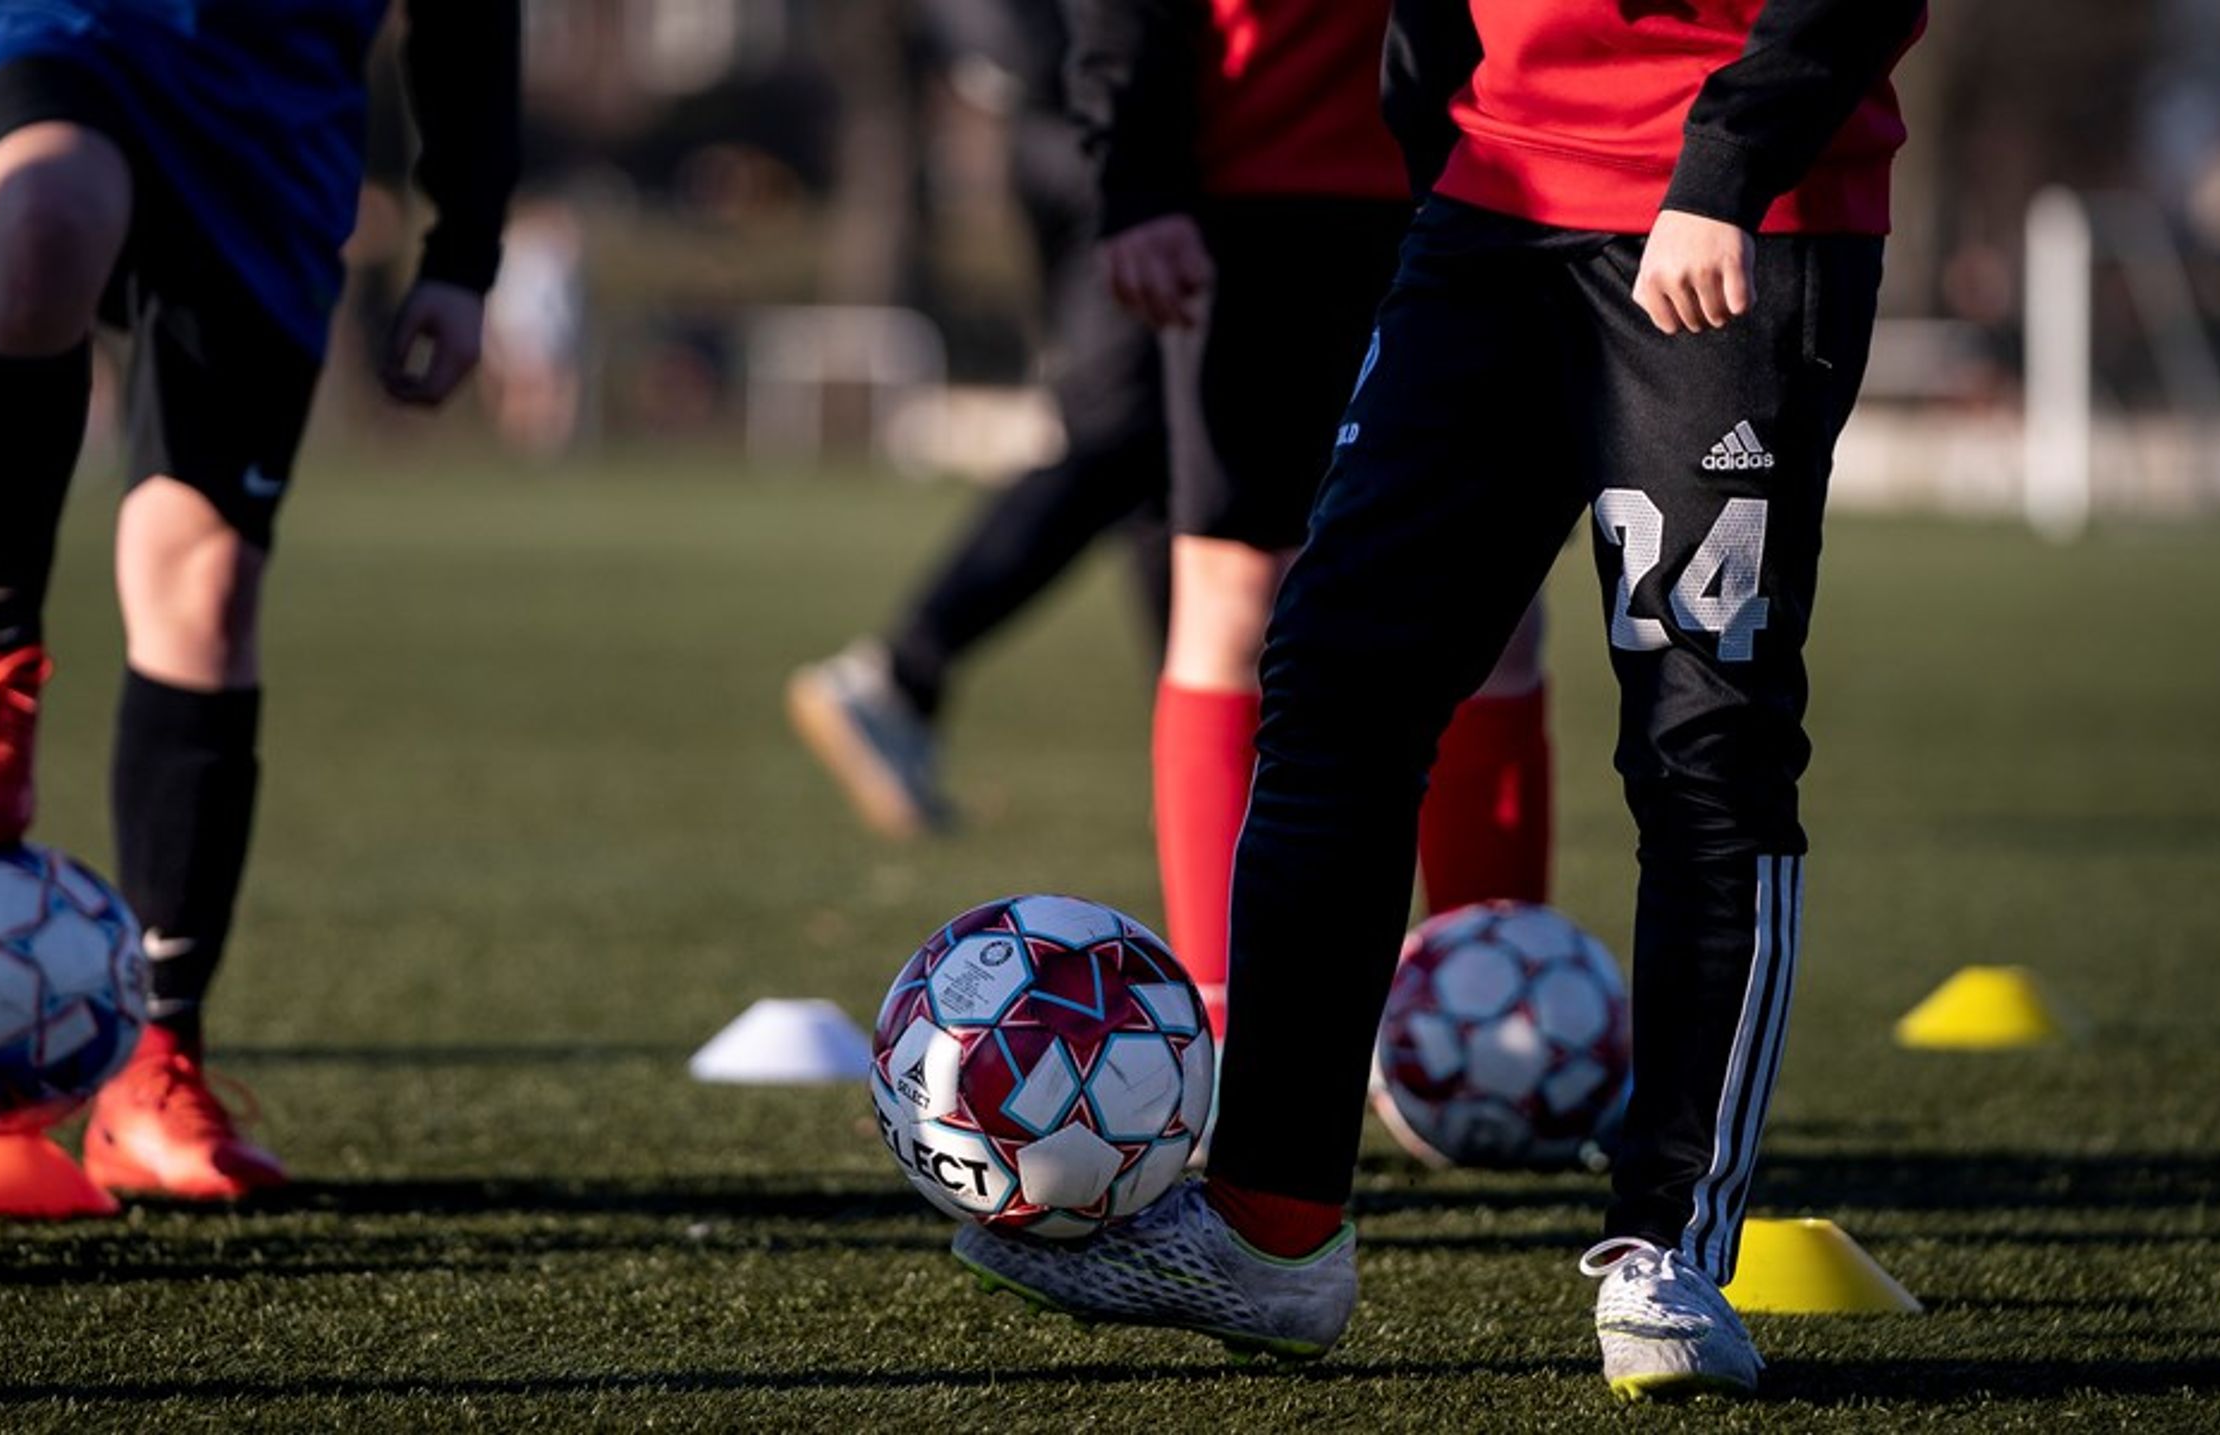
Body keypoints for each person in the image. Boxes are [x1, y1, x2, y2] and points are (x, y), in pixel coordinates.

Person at [951, 0, 1923, 1401]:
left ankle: (1667, 1242)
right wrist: (1442, 142)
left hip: (1727, 223)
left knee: (1703, 736)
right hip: (1485, 211)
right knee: (1335, 679)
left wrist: (1729, 162)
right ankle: (1269, 1225)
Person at [0, 0, 518, 1198]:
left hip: (276, 118)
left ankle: (154, 1067)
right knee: (49, 216)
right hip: (71, 35)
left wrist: (464, 249)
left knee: (203, 590)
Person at [1065, 0, 1554, 1038]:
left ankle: (1501, 1019)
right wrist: (1136, 175)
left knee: (1497, 607)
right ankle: (1226, 1024)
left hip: (1492, 174)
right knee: (1237, 593)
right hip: (1254, 194)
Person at [788, 0, 1172, 840]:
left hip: (1091, 131)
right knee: (1125, 434)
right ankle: (903, 670)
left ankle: (1209, 750)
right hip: (1107, 140)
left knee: (1165, 465)